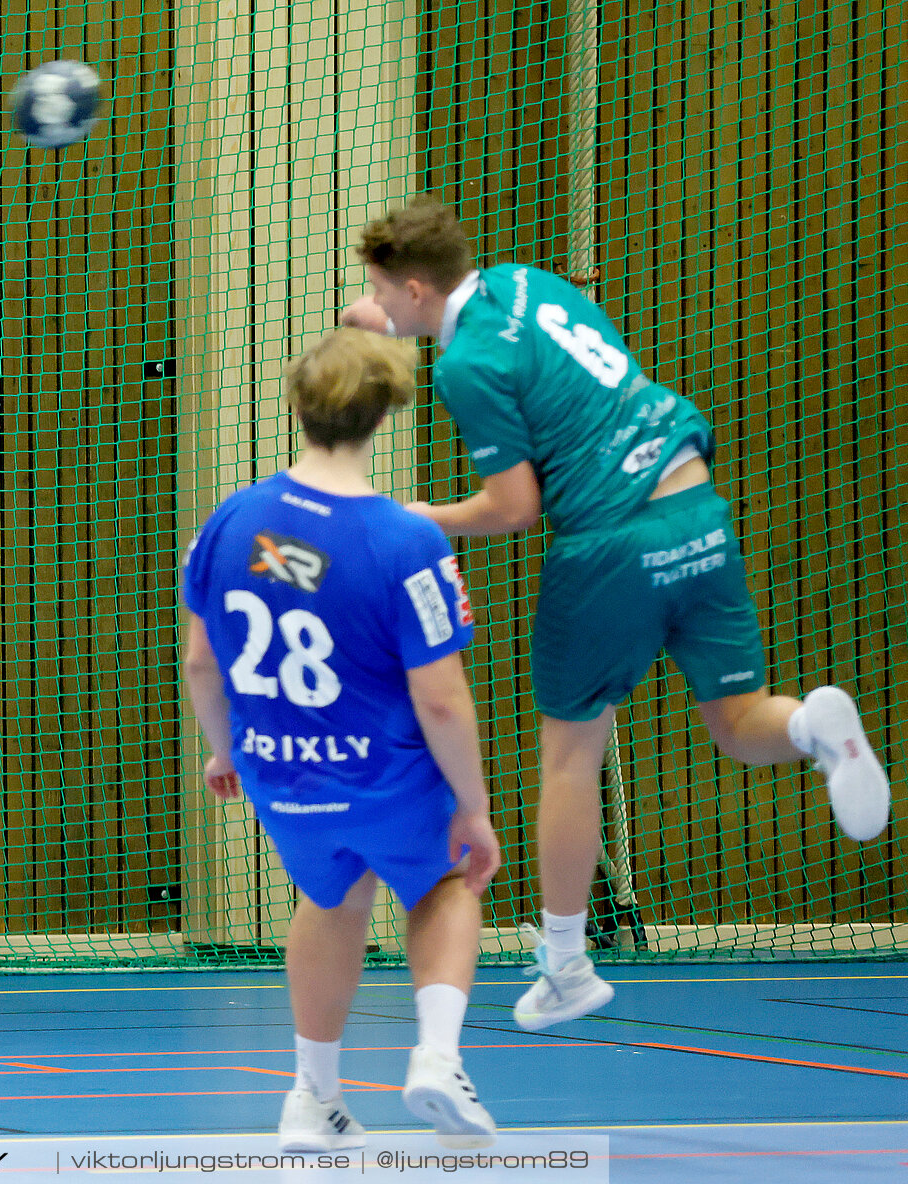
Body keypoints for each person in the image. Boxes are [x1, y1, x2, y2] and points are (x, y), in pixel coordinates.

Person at [341, 197, 890, 1030]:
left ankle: (565, 964)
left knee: (569, 753)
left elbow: (515, 506)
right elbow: (531, 372)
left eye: (382, 288)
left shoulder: (465, 369)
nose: (378, 299)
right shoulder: (531, 285)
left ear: (414, 288)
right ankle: (817, 728)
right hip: (696, 506)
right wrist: (385, 323)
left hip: (610, 543)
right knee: (740, 724)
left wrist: (427, 517)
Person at [182, 328, 501, 1151]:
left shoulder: (228, 523)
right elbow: (440, 699)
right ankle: (436, 1057)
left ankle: (313, 1098)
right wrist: (474, 805)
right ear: (386, 414)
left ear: (297, 405)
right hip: (384, 773)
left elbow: (200, 665)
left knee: (332, 899)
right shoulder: (406, 539)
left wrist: (224, 753)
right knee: (446, 883)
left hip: (281, 778)